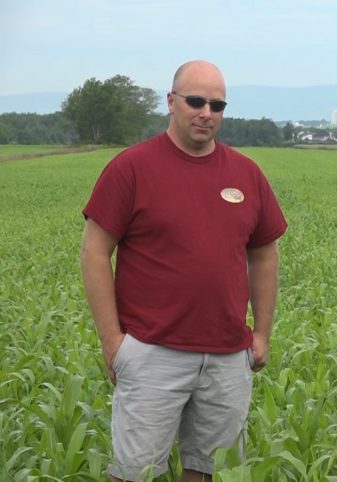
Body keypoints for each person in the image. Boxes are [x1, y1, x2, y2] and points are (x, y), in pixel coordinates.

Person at [80, 60, 287, 482]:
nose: (206, 113)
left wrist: (261, 333)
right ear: (171, 102)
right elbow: (95, 252)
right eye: (195, 101)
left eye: (217, 104)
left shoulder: (246, 173)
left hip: (228, 356)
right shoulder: (131, 168)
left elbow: (264, 254)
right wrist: (113, 343)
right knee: (133, 473)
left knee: (210, 472)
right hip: (152, 351)